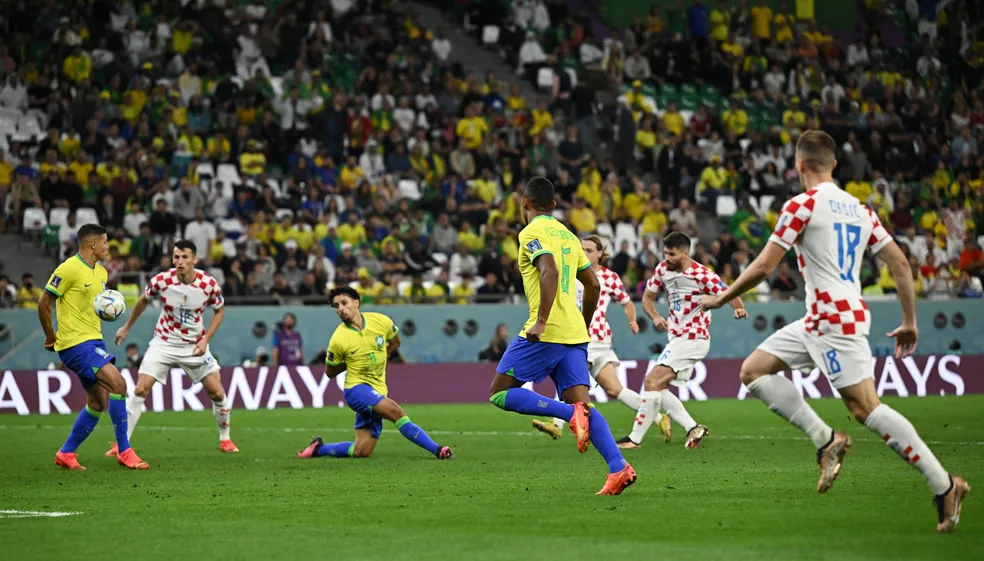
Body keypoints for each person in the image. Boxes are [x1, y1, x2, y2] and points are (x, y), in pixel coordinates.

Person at [700, 130, 970, 533]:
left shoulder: (802, 205)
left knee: (867, 408)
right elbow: (899, 264)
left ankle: (945, 484)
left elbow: (763, 267)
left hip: (832, 320)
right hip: (822, 317)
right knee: (753, 370)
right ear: (834, 165)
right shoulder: (861, 209)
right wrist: (910, 321)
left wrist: (721, 299)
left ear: (798, 164)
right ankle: (826, 440)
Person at [487, 176, 636, 495]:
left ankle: (569, 415)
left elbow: (549, 270)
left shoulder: (530, 232)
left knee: (499, 392)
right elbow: (593, 284)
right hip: (574, 334)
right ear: (553, 206)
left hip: (547, 331)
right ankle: (619, 467)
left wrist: (541, 321)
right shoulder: (569, 236)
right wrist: (582, 323)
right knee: (585, 406)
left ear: (524, 204)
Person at [619, 231, 748, 449]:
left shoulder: (701, 274)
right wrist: (656, 316)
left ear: (685, 253)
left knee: (651, 381)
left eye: (672, 254)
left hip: (693, 338)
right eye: (665, 253)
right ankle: (692, 427)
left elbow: (729, 292)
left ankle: (634, 439)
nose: (667, 257)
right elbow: (647, 298)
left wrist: (739, 308)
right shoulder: (662, 269)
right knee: (658, 386)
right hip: (677, 338)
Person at [37, 223, 149, 470]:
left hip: (94, 340)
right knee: (119, 385)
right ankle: (124, 450)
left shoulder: (101, 273)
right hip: (75, 344)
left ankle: (66, 453)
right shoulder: (68, 269)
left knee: (97, 403)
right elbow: (44, 302)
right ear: (92, 244)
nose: (109, 247)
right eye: (106, 242)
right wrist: (50, 336)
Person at [109, 240, 237, 455]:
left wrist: (205, 339)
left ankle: (225, 438)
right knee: (140, 388)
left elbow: (219, 311)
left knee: (216, 391)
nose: (179, 261)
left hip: (194, 345)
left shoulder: (208, 284)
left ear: (194, 260)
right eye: (176, 257)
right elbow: (143, 300)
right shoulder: (162, 280)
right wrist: (127, 327)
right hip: (164, 342)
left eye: (185, 257)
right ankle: (122, 444)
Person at [296, 286, 452, 460]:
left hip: (378, 390)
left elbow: (395, 342)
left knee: (362, 451)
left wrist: (382, 354)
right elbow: (330, 372)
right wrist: (350, 362)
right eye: (336, 306)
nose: (340, 309)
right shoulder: (338, 339)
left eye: (344, 303)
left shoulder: (381, 321)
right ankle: (438, 450)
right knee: (396, 412)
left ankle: (319, 449)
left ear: (356, 303)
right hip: (356, 390)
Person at [533, 234, 663, 440]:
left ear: (600, 254)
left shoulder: (609, 277)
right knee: (614, 389)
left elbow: (627, 302)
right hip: (585, 335)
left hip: (591, 335)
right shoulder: (571, 272)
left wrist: (632, 320)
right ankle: (656, 417)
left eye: (589, 250)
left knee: (569, 375)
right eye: (581, 249)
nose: (583, 253)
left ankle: (556, 423)